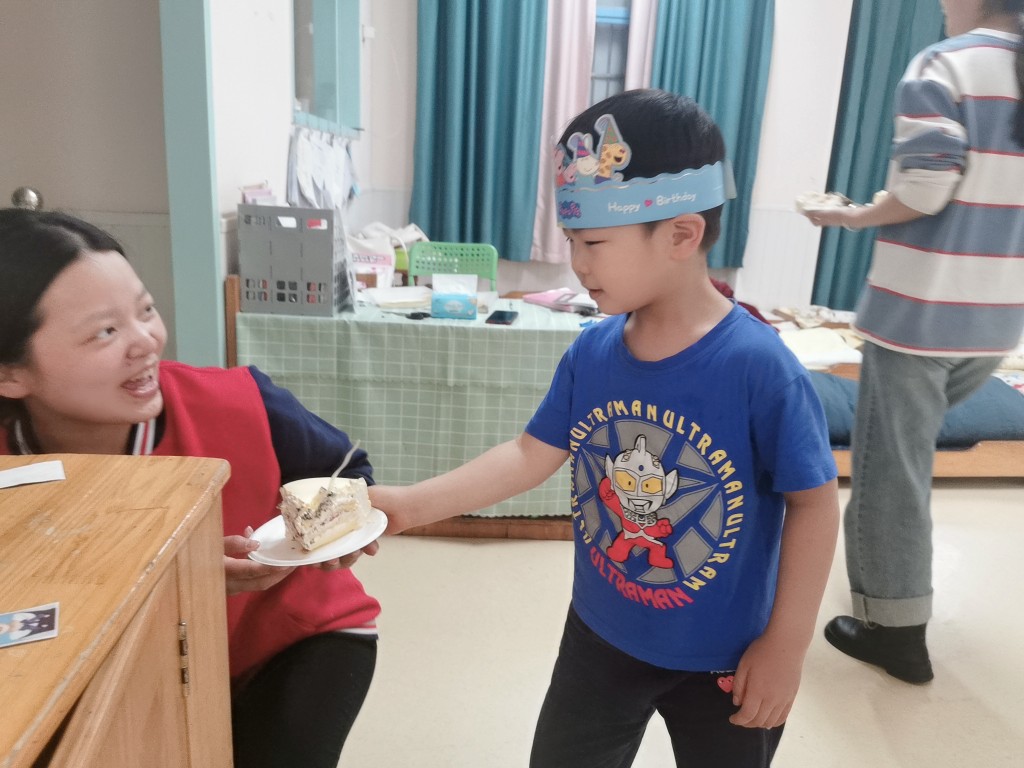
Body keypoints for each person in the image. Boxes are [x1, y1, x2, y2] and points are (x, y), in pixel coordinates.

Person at [372, 89, 840, 768]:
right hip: (602, 633)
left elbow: (815, 504)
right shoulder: (592, 352)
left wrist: (786, 647)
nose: (579, 263)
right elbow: (528, 454)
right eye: (571, 241)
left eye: (593, 242)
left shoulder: (760, 369)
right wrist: (410, 506)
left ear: (681, 235)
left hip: (728, 654)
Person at [0, 208, 381, 768]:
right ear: (9, 374)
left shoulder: (239, 402)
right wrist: (181, 582)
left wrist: (327, 538)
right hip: (134, 655)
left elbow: (349, 471)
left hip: (293, 639)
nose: (146, 342)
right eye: (105, 331)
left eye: (145, 311)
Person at [804, 0, 1024, 684]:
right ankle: (895, 603)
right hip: (999, 318)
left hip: (921, 314)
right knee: (908, 451)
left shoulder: (945, 65)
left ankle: (895, 632)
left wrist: (846, 216)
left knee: (891, 470)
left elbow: (925, 189)